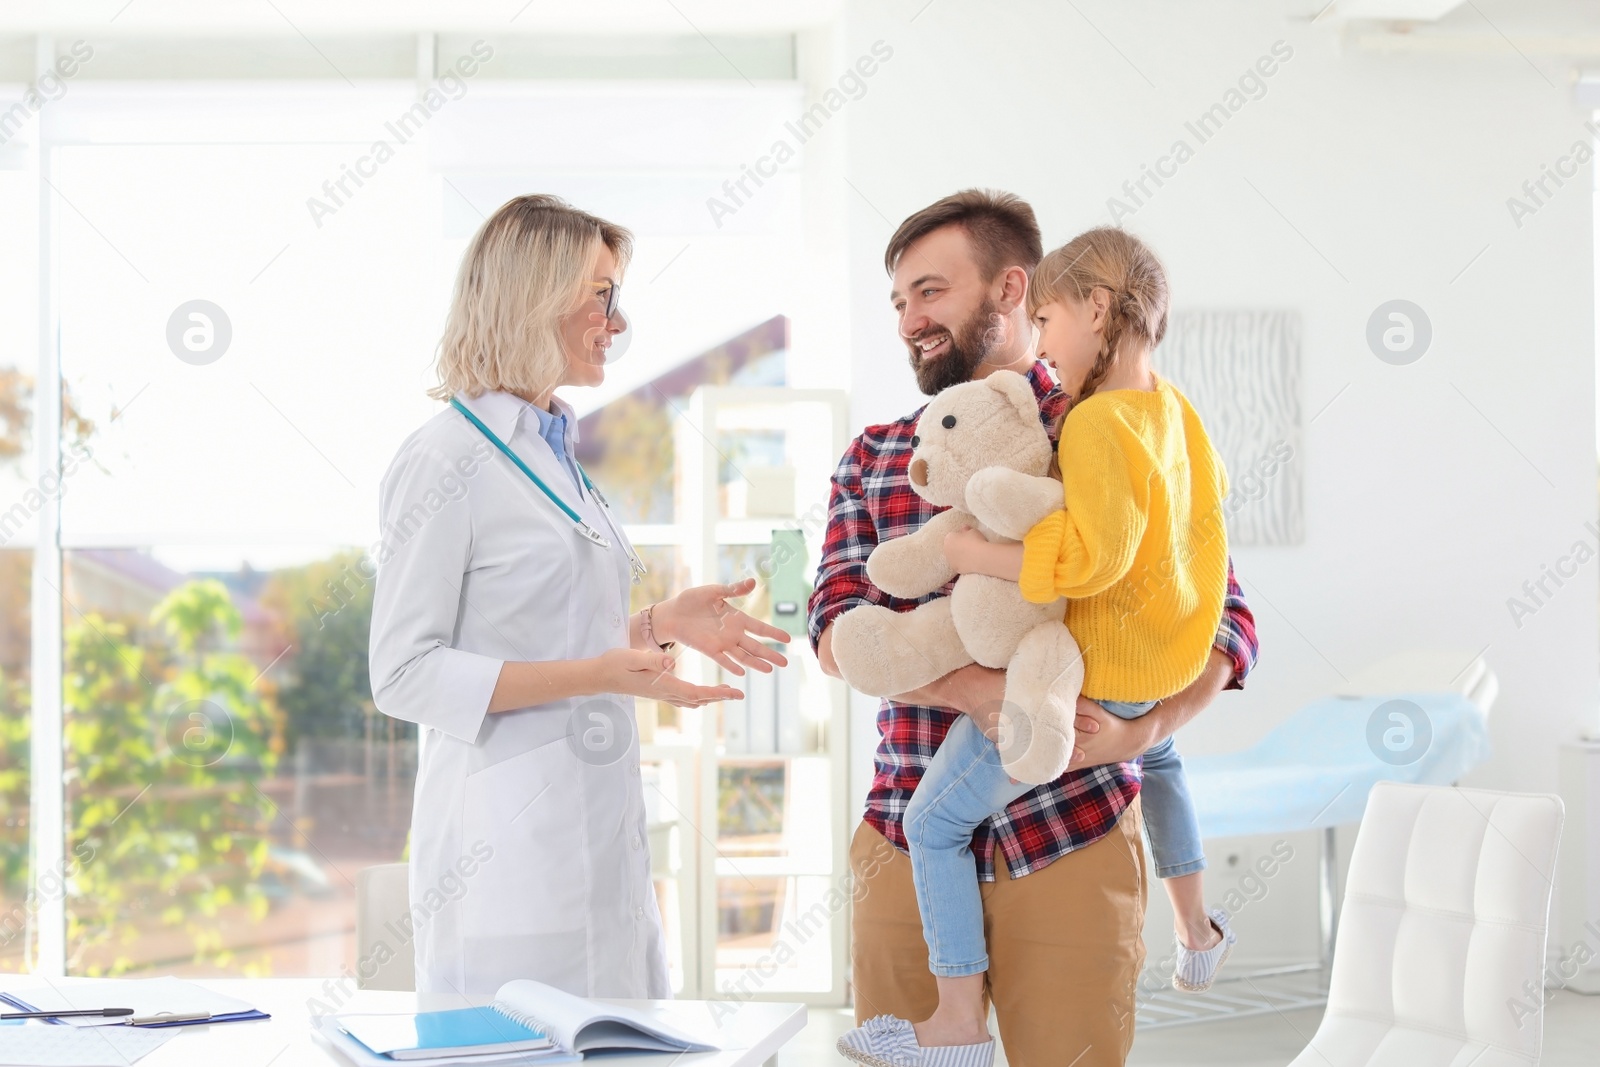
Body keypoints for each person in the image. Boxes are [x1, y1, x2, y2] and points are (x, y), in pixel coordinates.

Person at [809, 190, 1258, 1067]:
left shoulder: (1104, 427)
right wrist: (976, 692)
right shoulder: (876, 455)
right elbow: (832, 628)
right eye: (899, 302)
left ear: (1013, 289)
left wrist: (1145, 729)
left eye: (930, 291)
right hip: (906, 828)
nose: (911, 319)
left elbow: (1227, 620)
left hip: (1073, 827)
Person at [369, 194, 792, 997]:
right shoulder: (444, 458)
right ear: (534, 293)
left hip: (599, 845)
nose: (618, 320)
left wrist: (656, 622)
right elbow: (404, 672)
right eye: (602, 294)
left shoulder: (557, 453)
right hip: (505, 858)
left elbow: (536, 628)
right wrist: (599, 673)